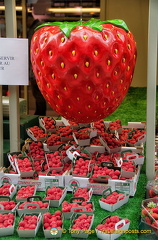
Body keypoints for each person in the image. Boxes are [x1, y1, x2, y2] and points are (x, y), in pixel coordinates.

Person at [28, 14, 48, 116]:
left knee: (38, 92)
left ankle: (40, 112)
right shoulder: (33, 28)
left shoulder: (37, 28)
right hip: (34, 65)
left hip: (37, 65)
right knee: (37, 92)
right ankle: (40, 111)